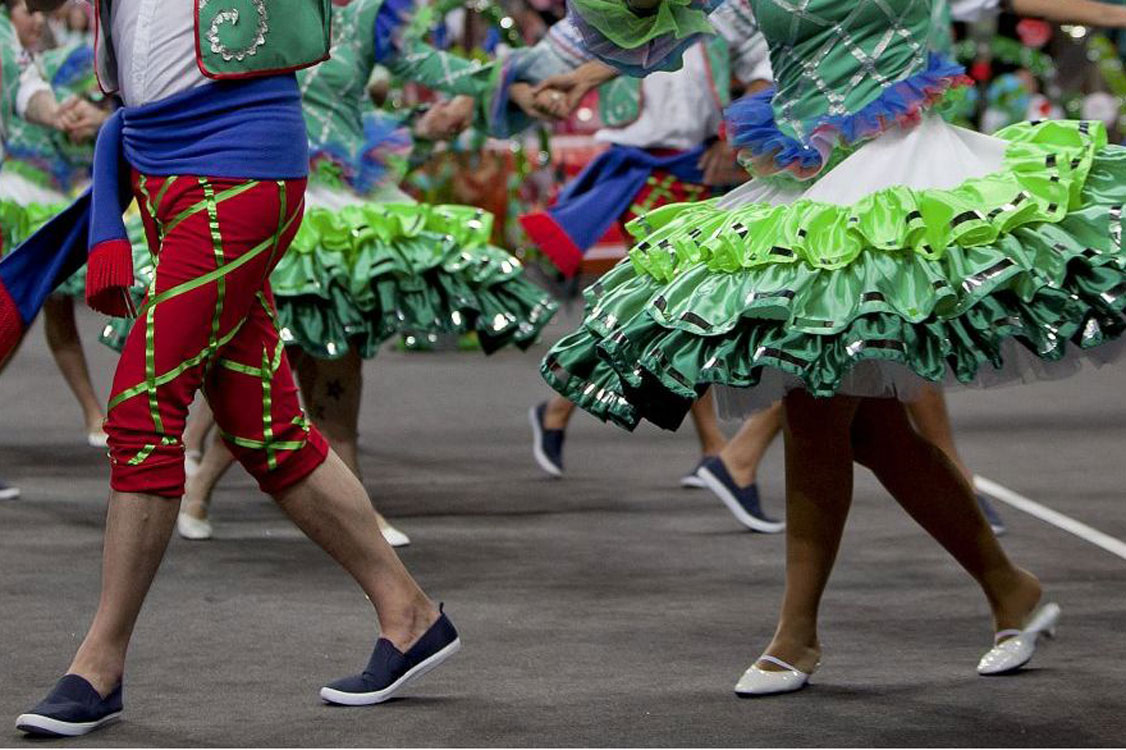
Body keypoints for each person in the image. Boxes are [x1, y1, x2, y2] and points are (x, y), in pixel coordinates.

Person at [541, 0, 1126, 696]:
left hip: (895, 176)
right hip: (804, 181)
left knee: (816, 404)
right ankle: (1010, 590)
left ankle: (797, 636)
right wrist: (582, 74)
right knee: (874, 431)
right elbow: (671, 16)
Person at [3, 0, 466, 736]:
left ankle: (99, 665)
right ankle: (409, 616)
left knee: (143, 405)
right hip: (159, 170)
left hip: (238, 164)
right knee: (265, 429)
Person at [172, 0, 558, 545]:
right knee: (263, 356)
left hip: (341, 201)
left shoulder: (366, 14)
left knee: (334, 354)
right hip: (263, 187)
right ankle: (202, 483)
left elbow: (426, 65)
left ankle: (340, 508)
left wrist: (509, 82)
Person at [507, 7, 774, 494]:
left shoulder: (721, 9)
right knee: (679, 302)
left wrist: (734, 132)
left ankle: (560, 404)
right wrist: (522, 85)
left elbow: (762, 64)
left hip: (697, 169)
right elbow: (554, 56)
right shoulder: (608, 12)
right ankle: (718, 450)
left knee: (671, 305)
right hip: (636, 173)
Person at [0, 0, 113, 446]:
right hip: (25, 194)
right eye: (30, 10)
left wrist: (61, 114)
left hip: (51, 195)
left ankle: (94, 415)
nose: (40, 17)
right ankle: (94, 415)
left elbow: (26, 86)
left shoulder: (37, 53)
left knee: (22, 308)